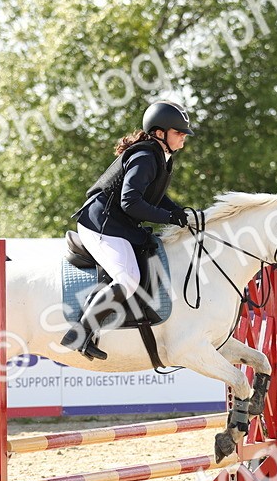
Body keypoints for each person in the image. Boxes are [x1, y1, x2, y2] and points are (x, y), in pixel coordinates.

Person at [60, 100, 195, 360]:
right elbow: (130, 202)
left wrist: (178, 212)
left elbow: (153, 196)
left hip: (117, 225)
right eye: (178, 132)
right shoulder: (145, 157)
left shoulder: (159, 156)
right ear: (159, 133)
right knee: (128, 279)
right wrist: (168, 217)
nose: (183, 138)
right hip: (101, 225)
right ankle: (79, 334)